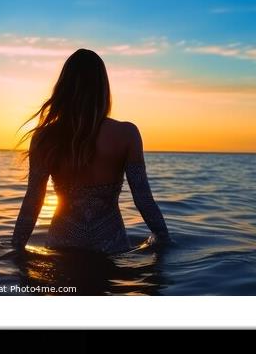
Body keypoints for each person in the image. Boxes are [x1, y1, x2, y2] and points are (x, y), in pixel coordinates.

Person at [11, 48, 171, 255]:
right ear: (103, 88)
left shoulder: (46, 138)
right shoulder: (126, 134)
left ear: (63, 88)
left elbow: (33, 200)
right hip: (111, 247)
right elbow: (143, 199)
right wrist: (166, 242)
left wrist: (15, 250)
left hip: (61, 246)